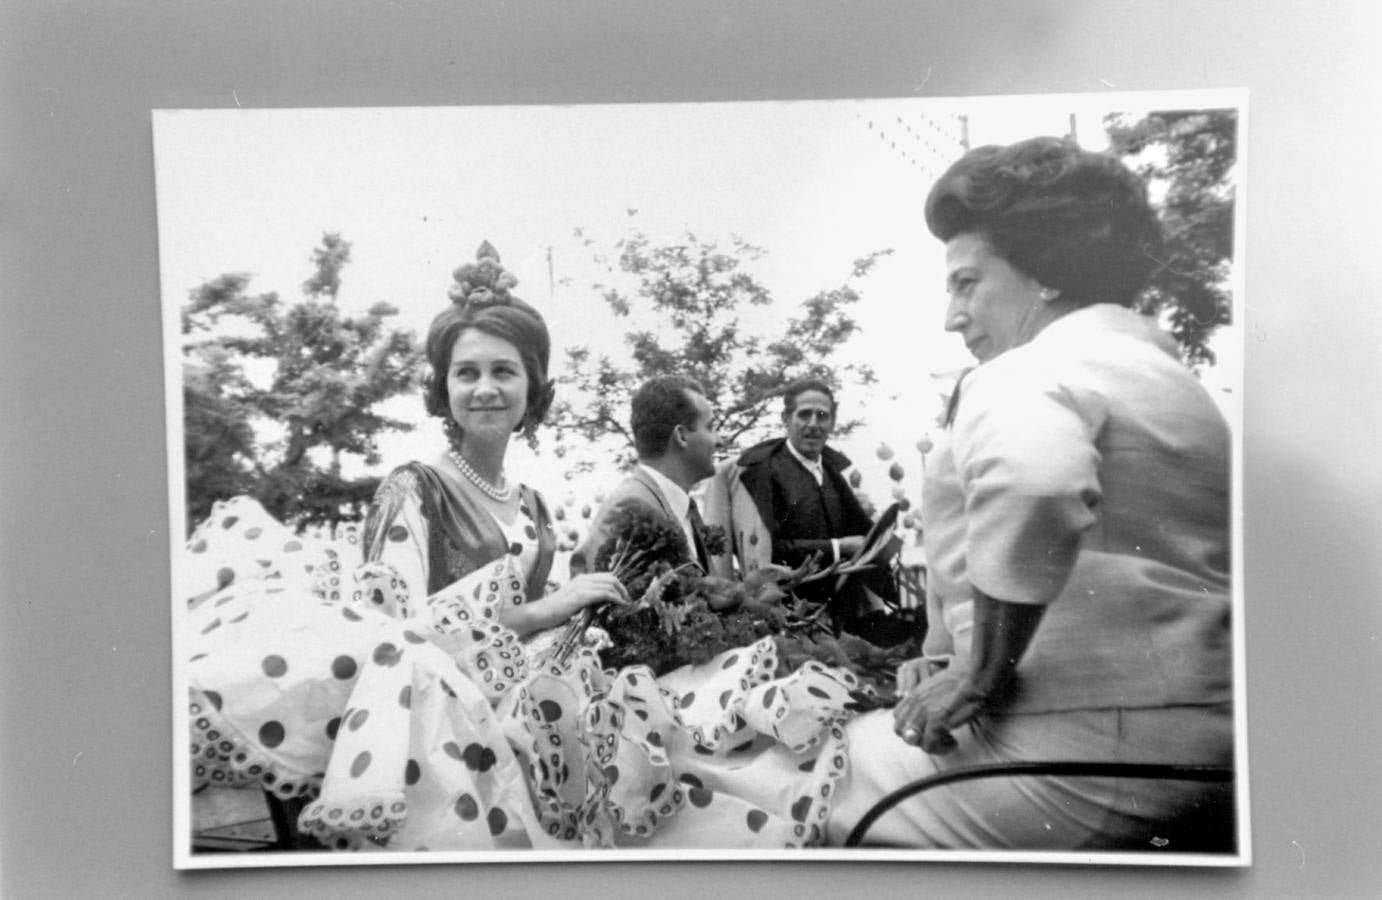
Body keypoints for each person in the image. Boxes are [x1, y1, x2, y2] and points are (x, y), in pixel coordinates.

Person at [183, 242, 865, 853]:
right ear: (442, 388)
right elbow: (396, 642)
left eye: (504, 371)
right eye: (466, 372)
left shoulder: (534, 506)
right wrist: (550, 610)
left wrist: (585, 626)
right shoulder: (414, 491)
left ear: (532, 387)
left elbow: (539, 634)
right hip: (443, 728)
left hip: (536, 708)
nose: (485, 389)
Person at [825, 137, 1235, 850]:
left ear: (1044, 275)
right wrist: (952, 652)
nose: (952, 316)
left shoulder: (1026, 371)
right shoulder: (1176, 385)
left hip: (1070, 754)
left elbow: (1035, 481)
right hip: (1209, 744)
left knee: (782, 779)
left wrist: (980, 671)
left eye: (967, 282)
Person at [703, 380, 908, 643]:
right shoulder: (762, 473)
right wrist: (838, 547)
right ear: (786, 419)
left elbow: (868, 536)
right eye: (804, 414)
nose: (813, 423)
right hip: (787, 619)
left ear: (832, 422)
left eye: (822, 415)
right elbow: (772, 552)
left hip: (846, 617)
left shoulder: (833, 474)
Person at [570, 375, 719, 577]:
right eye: (710, 427)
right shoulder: (631, 508)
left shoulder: (682, 508)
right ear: (681, 436)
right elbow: (597, 602)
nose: (718, 441)